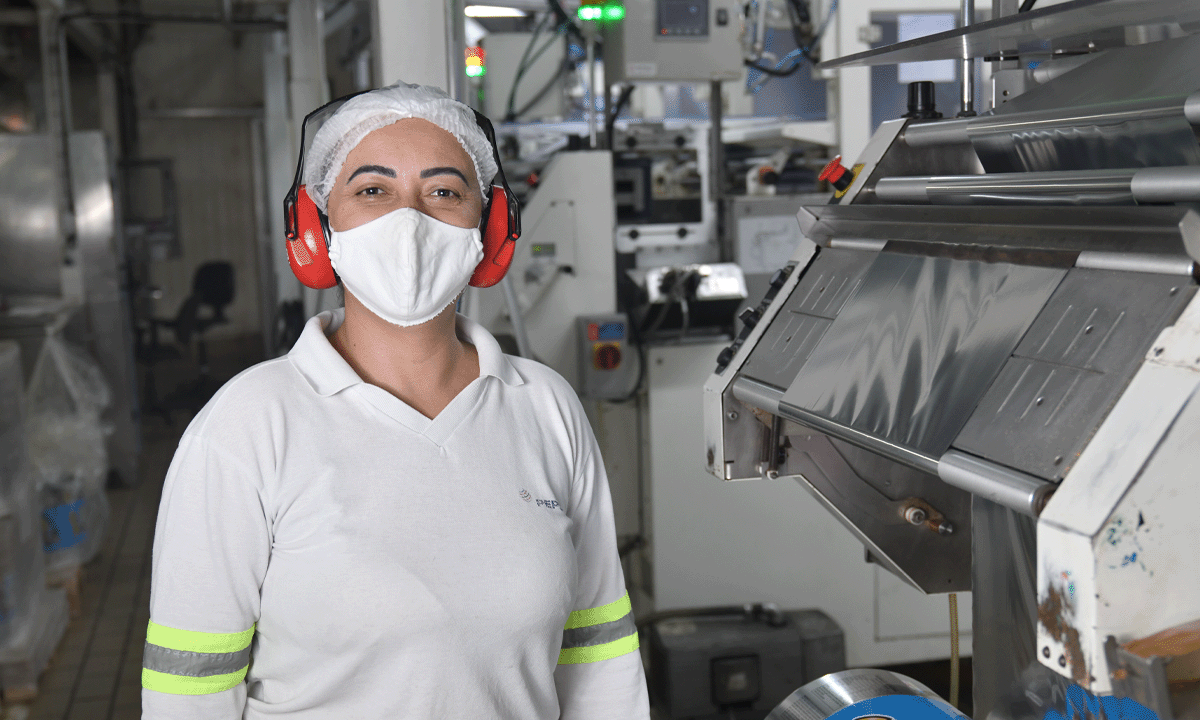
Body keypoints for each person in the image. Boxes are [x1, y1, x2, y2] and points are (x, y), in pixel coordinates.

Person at [141, 82, 651, 719]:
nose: (409, 221)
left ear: (488, 231)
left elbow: (597, 649)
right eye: (372, 190)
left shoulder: (545, 406)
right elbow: (190, 687)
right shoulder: (247, 425)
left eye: (443, 191)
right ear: (316, 227)